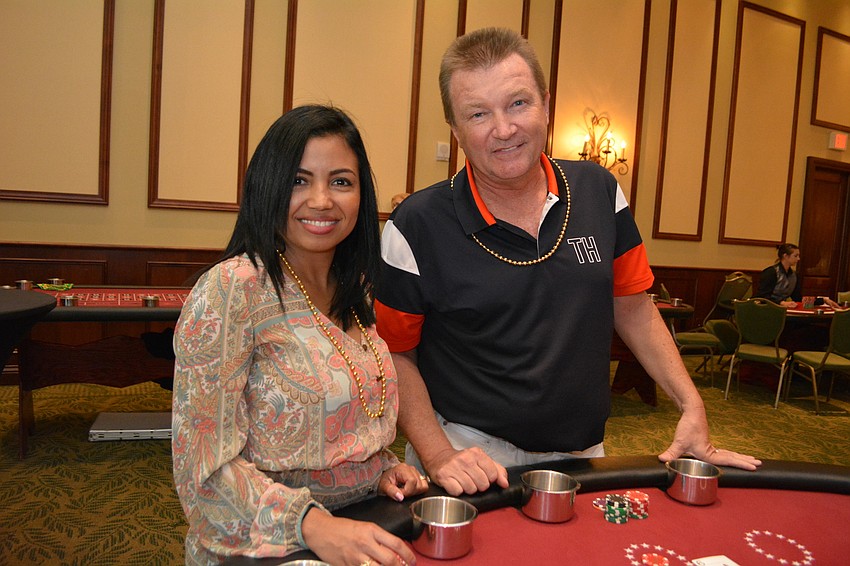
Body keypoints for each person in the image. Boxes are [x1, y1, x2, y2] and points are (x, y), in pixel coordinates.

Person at [374, 27, 761, 497]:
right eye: (479, 113)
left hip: (584, 456)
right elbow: (394, 353)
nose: (504, 129)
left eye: (518, 103)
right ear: (455, 131)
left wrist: (691, 405)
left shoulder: (601, 191)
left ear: (546, 104)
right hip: (468, 456)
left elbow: (634, 307)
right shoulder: (414, 225)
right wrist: (438, 455)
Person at [172, 105, 427, 566]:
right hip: (261, 547)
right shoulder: (232, 290)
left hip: (363, 526)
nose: (322, 200)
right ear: (268, 187)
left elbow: (346, 421)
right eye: (298, 180)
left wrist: (384, 471)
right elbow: (203, 475)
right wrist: (315, 527)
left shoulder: (357, 289)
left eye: (341, 181)